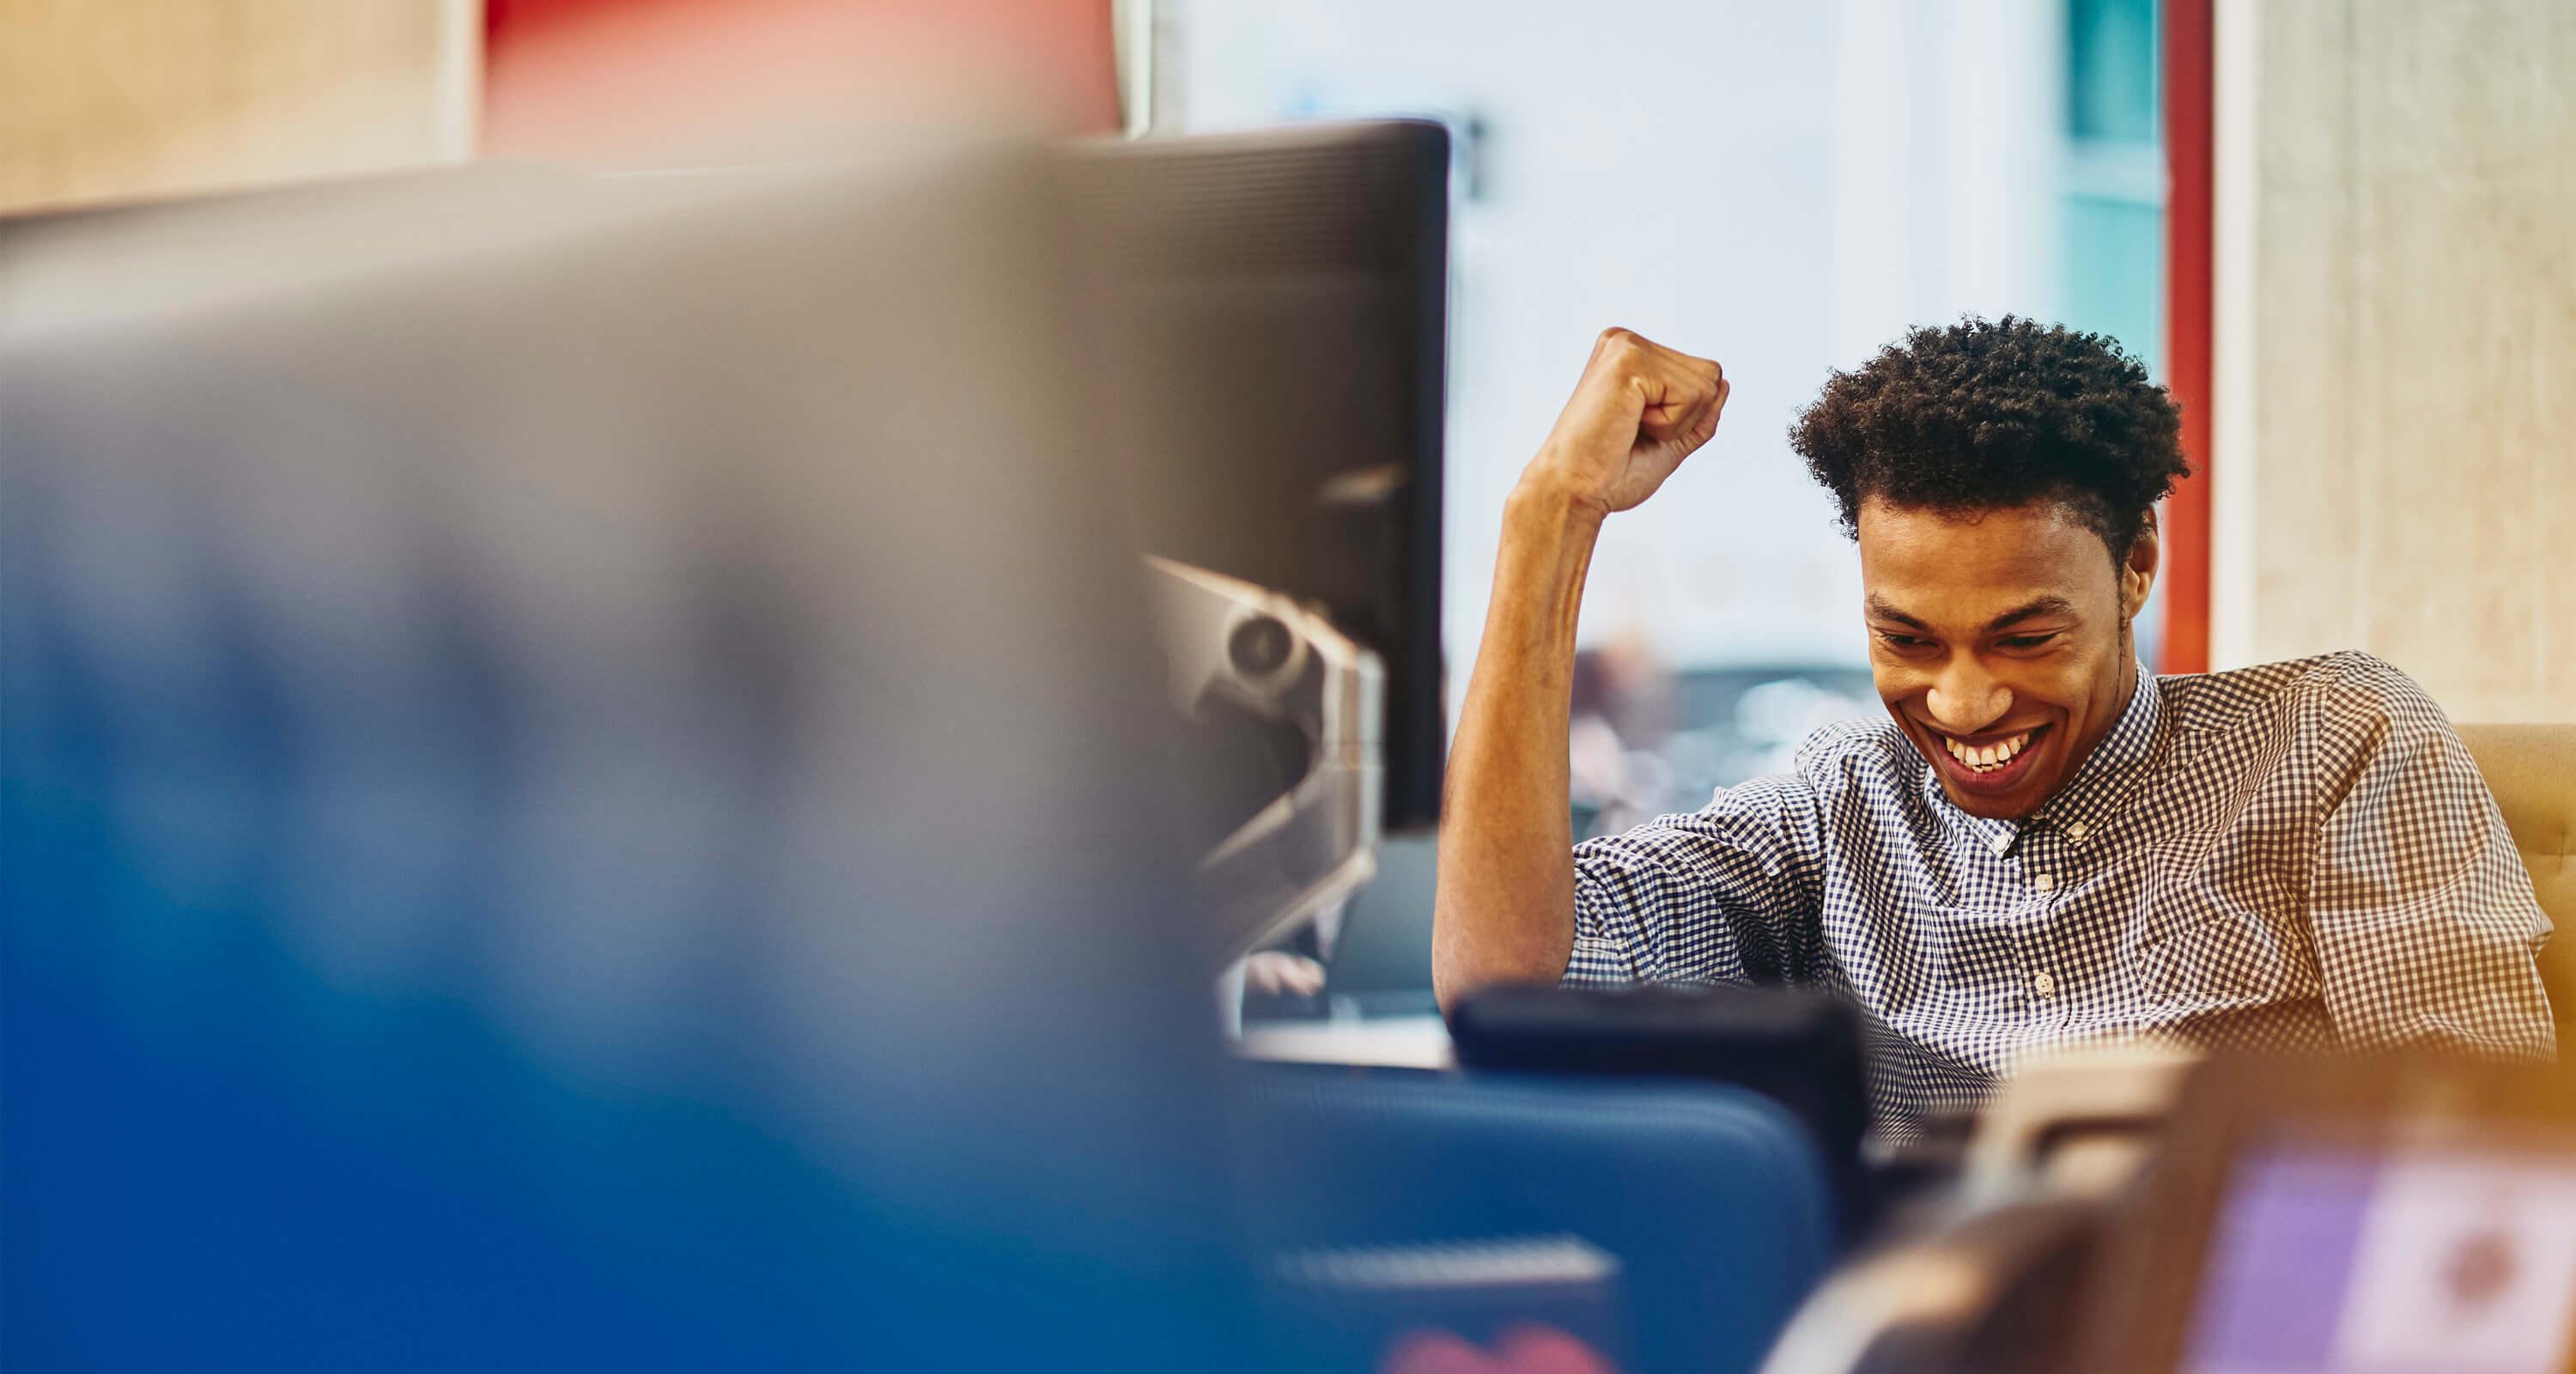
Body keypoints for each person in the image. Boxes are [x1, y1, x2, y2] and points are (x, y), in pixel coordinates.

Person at [1434, 317, 2556, 1141]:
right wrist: (1552, 516)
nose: (1965, 705)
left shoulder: (2333, 739)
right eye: (1911, 641)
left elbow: (2480, 1145)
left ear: (2137, 569)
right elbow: (1502, 982)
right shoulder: (1833, 808)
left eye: (2024, 639)